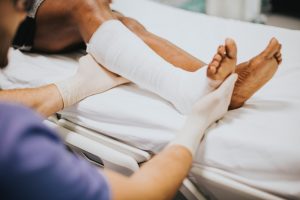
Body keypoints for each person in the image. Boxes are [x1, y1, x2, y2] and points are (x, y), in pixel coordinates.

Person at [0, 0, 238, 199]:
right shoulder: (14, 141)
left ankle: (209, 79)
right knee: (88, 6)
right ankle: (190, 89)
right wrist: (196, 124)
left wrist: (72, 88)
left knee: (124, 25)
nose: (23, 5)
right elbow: (140, 194)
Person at [12, 0, 282, 110]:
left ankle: (220, 82)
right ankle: (190, 91)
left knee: (128, 28)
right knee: (86, 6)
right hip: (21, 19)